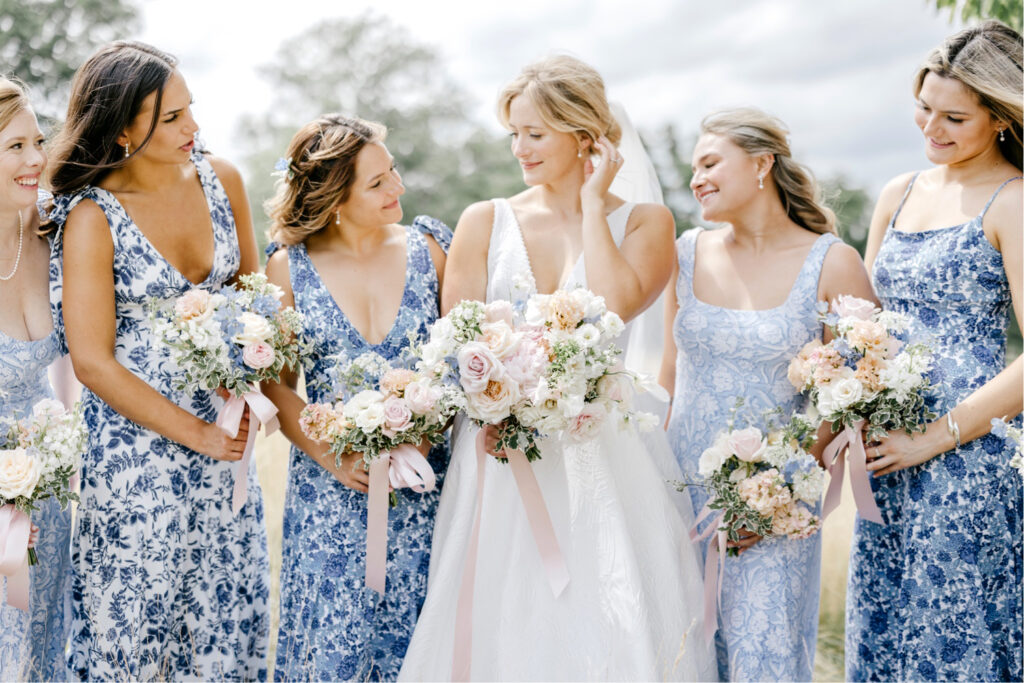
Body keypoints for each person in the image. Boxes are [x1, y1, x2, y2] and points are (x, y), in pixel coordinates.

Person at [399, 55, 714, 681]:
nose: (520, 148)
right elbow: (457, 346)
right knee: (502, 613)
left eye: (535, 133)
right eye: (513, 133)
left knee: (606, 610)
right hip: (497, 454)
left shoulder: (645, 222)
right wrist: (494, 399)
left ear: (584, 136)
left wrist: (595, 206)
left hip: (604, 458)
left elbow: (618, 305)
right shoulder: (483, 221)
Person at [45, 41, 269, 680]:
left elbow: (257, 301)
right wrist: (199, 435)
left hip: (229, 444)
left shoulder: (222, 179)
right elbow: (93, 362)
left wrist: (248, 391)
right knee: (134, 629)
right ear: (119, 130)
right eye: (170, 118)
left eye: (189, 110)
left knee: (223, 620)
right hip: (137, 459)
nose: (192, 128)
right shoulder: (92, 217)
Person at [663, 106, 876, 681]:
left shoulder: (833, 263)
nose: (696, 178)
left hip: (776, 500)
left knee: (766, 655)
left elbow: (850, 396)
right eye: (693, 168)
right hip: (676, 489)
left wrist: (772, 493)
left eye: (710, 162)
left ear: (762, 164)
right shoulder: (684, 253)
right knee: (680, 652)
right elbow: (667, 376)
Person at [848, 21, 1022, 681]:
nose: (932, 128)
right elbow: (859, 319)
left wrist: (935, 437)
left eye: (953, 117)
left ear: (1001, 119)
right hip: (886, 453)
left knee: (952, 633)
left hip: (966, 457)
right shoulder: (898, 193)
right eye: (924, 109)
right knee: (887, 622)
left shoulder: (1015, 202)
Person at [262, 114, 451, 680]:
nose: (397, 188)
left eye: (392, 172)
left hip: (428, 488)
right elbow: (277, 386)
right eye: (377, 183)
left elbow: (460, 360)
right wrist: (330, 452)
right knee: (333, 649)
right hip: (331, 498)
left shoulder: (431, 249)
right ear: (334, 197)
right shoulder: (287, 268)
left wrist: (425, 430)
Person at [0, 75, 72, 682]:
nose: (35, 159)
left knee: (44, 645)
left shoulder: (54, 228)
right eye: (14, 146)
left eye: (38, 141)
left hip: (45, 485)